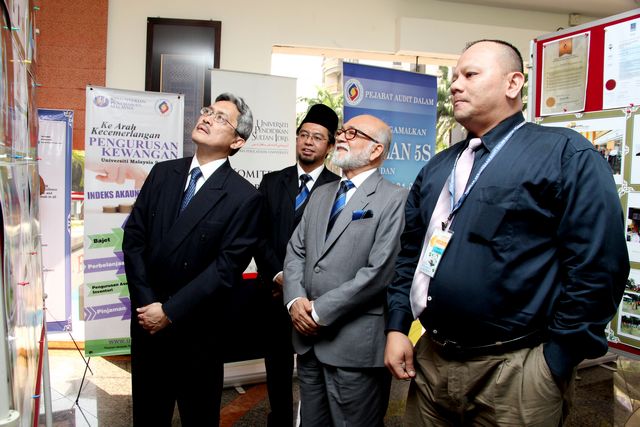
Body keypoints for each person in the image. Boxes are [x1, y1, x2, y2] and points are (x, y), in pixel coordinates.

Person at [384, 39, 629, 426]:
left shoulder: (564, 155)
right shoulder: (438, 168)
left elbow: (598, 266)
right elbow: (411, 253)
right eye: (454, 77)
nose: (455, 85)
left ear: (513, 83)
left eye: (470, 74)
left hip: (518, 370)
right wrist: (397, 326)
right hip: (432, 361)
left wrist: (557, 359)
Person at [123, 93, 262, 426]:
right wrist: (147, 305)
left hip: (198, 334)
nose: (208, 118)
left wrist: (169, 312)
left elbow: (225, 269)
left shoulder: (244, 197)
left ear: (237, 141)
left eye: (221, 117)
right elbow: (134, 240)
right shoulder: (163, 173)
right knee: (147, 418)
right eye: (208, 111)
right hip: (148, 324)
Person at [283, 114, 408, 426]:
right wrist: (295, 301)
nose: (341, 137)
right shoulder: (322, 193)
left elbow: (379, 272)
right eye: (342, 131)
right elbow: (296, 251)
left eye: (353, 133)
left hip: (354, 347)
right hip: (308, 345)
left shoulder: (395, 199)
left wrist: (317, 312)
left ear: (376, 150)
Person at [255, 103, 340, 426]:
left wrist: (300, 287)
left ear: (329, 146)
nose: (308, 142)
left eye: (317, 137)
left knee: (314, 367)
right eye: (303, 134)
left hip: (313, 300)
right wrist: (279, 276)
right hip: (274, 294)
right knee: (276, 367)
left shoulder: (338, 188)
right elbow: (257, 235)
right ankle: (279, 420)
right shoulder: (272, 182)